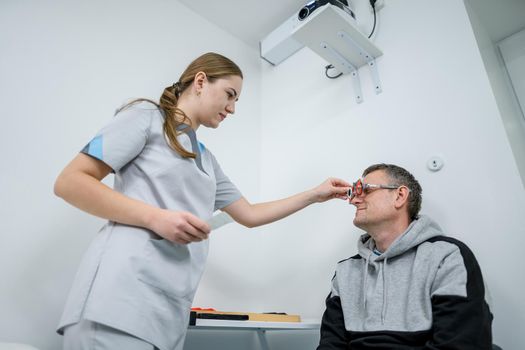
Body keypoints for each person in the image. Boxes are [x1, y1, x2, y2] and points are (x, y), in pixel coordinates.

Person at [54, 52, 351, 350]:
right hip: (119, 299)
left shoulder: (207, 160)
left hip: (167, 312)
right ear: (200, 81)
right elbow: (71, 182)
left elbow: (249, 214)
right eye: (229, 95)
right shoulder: (145, 118)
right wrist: (156, 217)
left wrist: (315, 194)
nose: (232, 108)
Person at [317, 163, 493, 350]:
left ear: (400, 196)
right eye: (354, 192)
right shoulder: (346, 271)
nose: (353, 200)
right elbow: (331, 345)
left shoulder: (446, 256)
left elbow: (460, 343)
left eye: (365, 189)